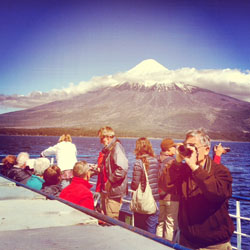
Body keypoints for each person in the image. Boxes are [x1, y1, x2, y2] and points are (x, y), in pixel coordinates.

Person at [168, 128, 234, 249]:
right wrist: (177, 162)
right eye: (186, 146)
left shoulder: (221, 171)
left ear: (207, 150)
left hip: (214, 244)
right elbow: (167, 185)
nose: (189, 150)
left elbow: (217, 193)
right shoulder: (184, 170)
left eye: (193, 146)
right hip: (187, 240)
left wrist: (195, 168)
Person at [97, 126, 128, 220]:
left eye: (102, 138)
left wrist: (110, 181)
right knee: (106, 218)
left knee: (111, 220)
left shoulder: (116, 148)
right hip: (108, 191)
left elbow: (122, 169)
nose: (101, 141)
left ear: (108, 137)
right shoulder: (110, 149)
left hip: (114, 192)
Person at [131, 137, 160, 234]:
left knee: (139, 228)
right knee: (151, 227)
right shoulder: (155, 161)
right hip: (154, 199)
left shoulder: (138, 163)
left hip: (142, 200)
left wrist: (132, 187)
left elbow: (135, 184)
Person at [156, 138, 179, 242]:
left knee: (160, 222)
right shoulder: (173, 162)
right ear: (169, 149)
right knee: (170, 224)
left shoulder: (157, 159)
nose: (175, 148)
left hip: (160, 195)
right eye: (174, 147)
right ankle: (168, 246)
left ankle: (158, 243)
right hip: (171, 197)